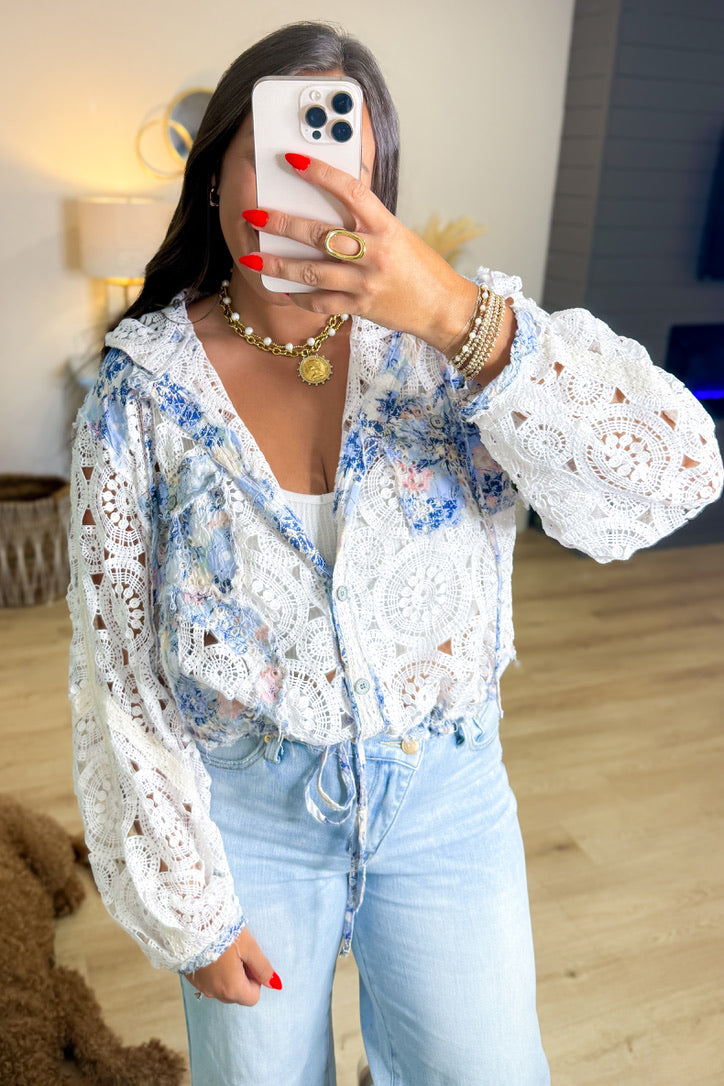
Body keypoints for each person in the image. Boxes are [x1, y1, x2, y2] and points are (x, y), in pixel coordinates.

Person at [66, 20, 723, 1086]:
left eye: (342, 164)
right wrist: (191, 905)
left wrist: (455, 315)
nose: (310, 190)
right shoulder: (140, 390)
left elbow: (680, 470)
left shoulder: (455, 343)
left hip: (447, 805)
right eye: (278, 154)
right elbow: (119, 670)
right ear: (218, 169)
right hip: (246, 821)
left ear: (378, 185)